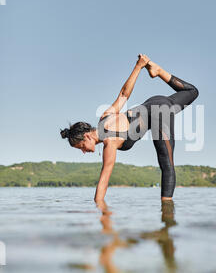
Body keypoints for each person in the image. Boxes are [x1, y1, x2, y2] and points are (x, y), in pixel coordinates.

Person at [60, 55, 199, 203]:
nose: (83, 151)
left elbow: (104, 179)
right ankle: (157, 70)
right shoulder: (105, 117)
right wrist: (138, 67)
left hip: (159, 112)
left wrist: (98, 206)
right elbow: (123, 94)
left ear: (87, 136)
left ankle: (167, 213)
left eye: (81, 146)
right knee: (192, 92)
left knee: (167, 164)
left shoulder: (110, 143)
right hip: (154, 101)